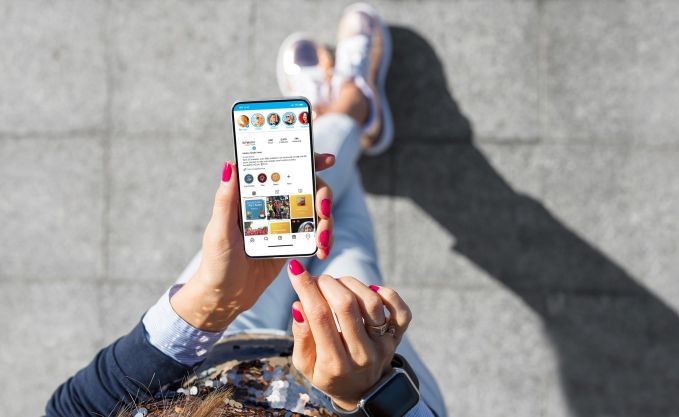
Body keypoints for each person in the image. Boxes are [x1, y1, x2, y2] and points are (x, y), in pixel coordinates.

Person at [47, 4, 443, 416]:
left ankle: (344, 113)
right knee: (352, 258)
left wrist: (211, 300)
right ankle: (348, 110)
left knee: (313, 205)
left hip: (220, 347)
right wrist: (362, 394)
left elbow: (71, 410)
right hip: (347, 376)